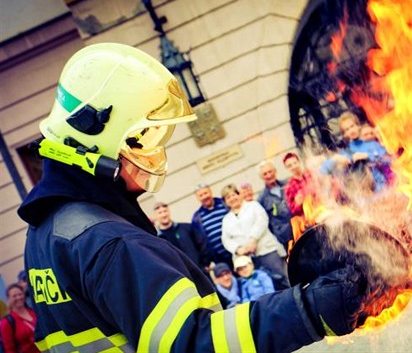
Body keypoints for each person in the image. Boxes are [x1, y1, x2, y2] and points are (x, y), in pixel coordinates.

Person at [17, 43, 372, 352]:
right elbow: (193, 342)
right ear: (97, 136)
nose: (153, 154)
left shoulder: (47, 232)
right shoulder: (107, 241)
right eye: (143, 140)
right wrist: (313, 308)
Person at [220, 184, 290, 290]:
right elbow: (226, 239)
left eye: (233, 195)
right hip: (248, 260)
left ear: (239, 195)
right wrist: (238, 249)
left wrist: (253, 240)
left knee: (283, 279)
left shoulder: (253, 206)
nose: (232, 199)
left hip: (267, 251)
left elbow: (262, 221)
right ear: (225, 201)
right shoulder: (226, 219)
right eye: (228, 197)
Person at [337, 111, 393, 192]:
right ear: (344, 134)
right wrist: (344, 165)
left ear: (358, 126)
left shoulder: (371, 143)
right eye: (347, 129)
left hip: (383, 188)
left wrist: (367, 156)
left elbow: (389, 160)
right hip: (363, 194)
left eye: (352, 126)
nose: (351, 131)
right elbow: (342, 177)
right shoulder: (346, 153)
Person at [154, 202, 212, 272]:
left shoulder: (186, 228)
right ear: (155, 215)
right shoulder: (157, 238)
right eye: (160, 213)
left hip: (199, 271)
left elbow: (202, 244)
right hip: (180, 277)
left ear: (169, 212)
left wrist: (205, 264)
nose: (163, 215)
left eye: (165, 211)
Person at [191, 184, 233, 269]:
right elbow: (200, 242)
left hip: (237, 250)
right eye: (201, 195)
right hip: (219, 259)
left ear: (210, 192)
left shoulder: (224, 203)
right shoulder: (197, 218)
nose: (204, 197)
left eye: (205, 193)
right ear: (198, 198)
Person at [257, 160, 293, 252]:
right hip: (285, 237)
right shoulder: (262, 198)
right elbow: (266, 222)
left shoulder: (289, 183)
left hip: (301, 227)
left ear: (275, 171)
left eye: (270, 171)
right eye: (265, 174)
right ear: (261, 177)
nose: (269, 175)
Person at [0, 284, 39, 353]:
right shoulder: (7, 322)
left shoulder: (34, 312)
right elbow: (9, 349)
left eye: (20, 294)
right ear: (8, 299)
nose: (18, 297)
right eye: (14, 296)